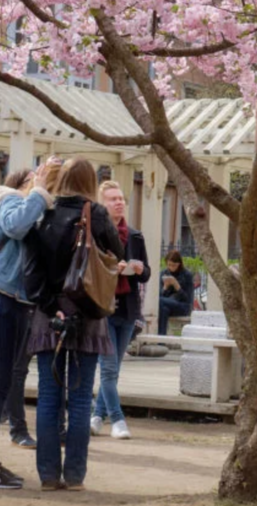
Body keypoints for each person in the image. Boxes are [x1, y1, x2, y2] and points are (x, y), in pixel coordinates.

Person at [23, 158, 124, 491]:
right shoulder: (95, 214)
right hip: (88, 313)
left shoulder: (43, 213)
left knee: (49, 397)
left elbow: (32, 271)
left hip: (47, 315)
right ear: (91, 183)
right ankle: (76, 475)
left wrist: (52, 306)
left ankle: (48, 475)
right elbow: (118, 252)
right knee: (81, 400)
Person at [0, 159, 55, 490]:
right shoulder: (8, 199)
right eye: (42, 179)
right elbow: (17, 227)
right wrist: (40, 191)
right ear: (27, 181)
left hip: (17, 302)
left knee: (3, 383)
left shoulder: (33, 205)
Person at [91, 179, 150, 440]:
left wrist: (138, 270)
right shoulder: (95, 234)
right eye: (112, 199)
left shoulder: (135, 236)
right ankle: (117, 420)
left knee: (113, 369)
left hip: (128, 309)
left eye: (121, 199)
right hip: (104, 308)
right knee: (109, 369)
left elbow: (146, 273)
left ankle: (96, 415)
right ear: (101, 205)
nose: (118, 203)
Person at [0, 168, 41, 451]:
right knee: (13, 369)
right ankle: (17, 426)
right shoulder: (12, 206)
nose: (39, 185)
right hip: (9, 296)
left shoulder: (40, 211)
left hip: (32, 298)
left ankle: (10, 415)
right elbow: (16, 228)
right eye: (32, 181)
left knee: (17, 368)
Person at [158, 251, 194, 334]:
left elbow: (188, 299)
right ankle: (161, 342)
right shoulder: (164, 273)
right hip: (166, 304)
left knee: (160, 301)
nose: (171, 267)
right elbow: (160, 294)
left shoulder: (186, 275)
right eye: (169, 265)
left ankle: (161, 341)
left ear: (179, 264)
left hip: (182, 306)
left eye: (173, 265)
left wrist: (177, 286)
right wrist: (165, 287)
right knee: (163, 309)